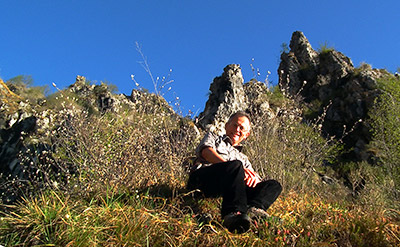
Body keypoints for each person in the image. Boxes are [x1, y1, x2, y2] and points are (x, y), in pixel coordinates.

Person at [187, 111, 282, 233]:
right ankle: (232, 214)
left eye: (241, 128)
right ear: (227, 126)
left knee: (273, 185)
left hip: (229, 187)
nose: (237, 129)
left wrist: (254, 178)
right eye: (234, 125)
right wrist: (233, 167)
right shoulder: (214, 138)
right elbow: (206, 151)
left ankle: (254, 209)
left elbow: (253, 177)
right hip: (203, 180)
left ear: (246, 134)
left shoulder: (243, 158)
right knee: (236, 166)